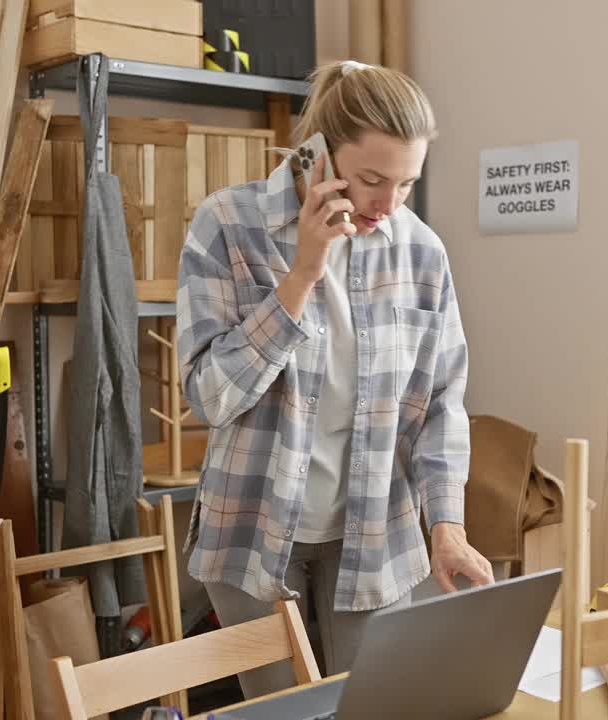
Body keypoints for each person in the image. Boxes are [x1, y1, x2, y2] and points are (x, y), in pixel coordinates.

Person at [175, 59, 493, 699]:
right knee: (279, 714)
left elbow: (441, 406)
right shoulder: (227, 226)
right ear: (315, 152)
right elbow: (209, 397)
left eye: (407, 183)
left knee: (374, 708)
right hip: (251, 533)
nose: (388, 204)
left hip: (377, 532)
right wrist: (301, 277)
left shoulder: (421, 250)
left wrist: (447, 525)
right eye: (373, 179)